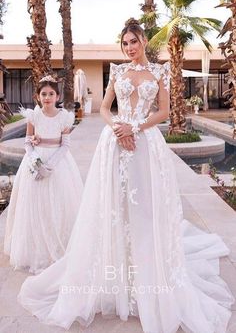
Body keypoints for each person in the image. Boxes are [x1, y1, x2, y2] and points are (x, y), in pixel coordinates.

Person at [18, 20, 234, 332]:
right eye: (125, 43)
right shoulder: (117, 71)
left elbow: (164, 112)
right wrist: (118, 127)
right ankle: (114, 273)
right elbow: (105, 108)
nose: (129, 48)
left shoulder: (160, 72)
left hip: (145, 144)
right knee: (114, 208)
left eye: (133, 41)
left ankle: (145, 275)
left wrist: (134, 127)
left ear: (144, 41)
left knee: (144, 209)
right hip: (114, 143)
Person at [4, 76, 83, 274]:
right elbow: (27, 142)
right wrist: (34, 161)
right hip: (35, 163)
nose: (47, 97)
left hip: (58, 163)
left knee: (58, 204)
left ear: (57, 96)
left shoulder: (64, 117)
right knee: (35, 206)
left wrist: (50, 165)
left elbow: (65, 145)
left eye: (51, 94)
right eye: (43, 94)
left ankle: (59, 245)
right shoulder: (34, 116)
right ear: (37, 97)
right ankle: (36, 249)